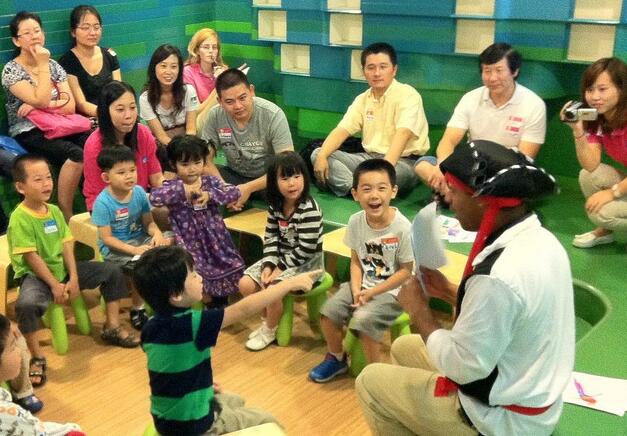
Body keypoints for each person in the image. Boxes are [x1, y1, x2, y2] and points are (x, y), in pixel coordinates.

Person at [356, 140, 575, 436]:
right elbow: (510, 314)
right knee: (403, 346)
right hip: (529, 394)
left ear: (484, 201)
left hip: (501, 420)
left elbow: (464, 367)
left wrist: (419, 311)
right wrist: (449, 291)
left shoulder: (497, 277)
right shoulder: (542, 239)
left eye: (454, 191)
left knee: (370, 382)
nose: (449, 199)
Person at [134, 245, 320, 435]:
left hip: (165, 422)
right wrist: (288, 284)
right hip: (196, 427)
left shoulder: (150, 328)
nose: (200, 278)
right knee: (267, 420)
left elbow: (168, 365)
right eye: (193, 275)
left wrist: (197, 381)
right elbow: (244, 309)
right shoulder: (194, 324)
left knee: (234, 399)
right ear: (176, 295)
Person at [8, 154, 140, 379]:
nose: (46, 184)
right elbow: (32, 258)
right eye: (38, 179)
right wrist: (54, 285)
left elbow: (67, 244)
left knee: (111, 271)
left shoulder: (54, 211)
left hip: (62, 269)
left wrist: (75, 277)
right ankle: (36, 356)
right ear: (21, 187)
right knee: (26, 305)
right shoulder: (19, 218)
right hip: (35, 276)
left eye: (48, 177)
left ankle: (112, 326)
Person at [309, 159, 413, 382]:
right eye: (366, 189)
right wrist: (357, 289)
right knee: (328, 312)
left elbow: (406, 272)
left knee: (364, 321)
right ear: (355, 194)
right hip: (364, 285)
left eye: (381, 188)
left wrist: (373, 292)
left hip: (396, 292)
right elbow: (356, 261)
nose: (374, 195)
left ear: (393, 191)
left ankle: (376, 375)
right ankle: (337, 357)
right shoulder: (356, 221)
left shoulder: (404, 228)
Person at [415, 42, 546, 194]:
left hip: (508, 171)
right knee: (423, 165)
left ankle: (455, 194)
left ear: (515, 71)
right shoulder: (470, 98)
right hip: (472, 165)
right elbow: (448, 140)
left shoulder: (533, 104)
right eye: (487, 71)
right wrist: (443, 166)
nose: (493, 78)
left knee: (517, 182)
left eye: (499, 70)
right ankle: (460, 193)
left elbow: (525, 157)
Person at [2, 11, 90, 221]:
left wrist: (37, 105)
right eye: (27, 33)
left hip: (62, 125)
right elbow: (42, 99)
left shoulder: (54, 65)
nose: (34, 36)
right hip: (29, 131)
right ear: (16, 40)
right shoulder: (11, 70)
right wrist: (42, 65)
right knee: (75, 154)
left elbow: (69, 106)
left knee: (91, 144)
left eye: (37, 31)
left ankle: (93, 205)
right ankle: (66, 214)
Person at [312, 42, 429, 196]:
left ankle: (360, 188)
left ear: (394, 70)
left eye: (383, 67)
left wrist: (382, 171)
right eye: (371, 68)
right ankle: (356, 190)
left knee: (391, 176)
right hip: (368, 159)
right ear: (364, 71)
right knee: (318, 153)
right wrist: (322, 156)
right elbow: (342, 130)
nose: (377, 73)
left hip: (403, 162)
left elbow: (403, 133)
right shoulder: (362, 99)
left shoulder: (408, 95)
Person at [239, 151, 324, 351]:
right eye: (284, 178)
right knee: (245, 284)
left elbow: (306, 249)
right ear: (274, 182)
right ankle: (266, 321)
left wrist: (279, 268)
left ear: (305, 177)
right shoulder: (275, 206)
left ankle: (269, 331)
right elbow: (271, 237)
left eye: (296, 176)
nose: (292, 183)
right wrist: (269, 264)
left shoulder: (309, 209)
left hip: (307, 265)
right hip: (279, 260)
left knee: (272, 290)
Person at [149, 135, 244, 309]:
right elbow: (155, 198)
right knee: (196, 270)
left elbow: (234, 192)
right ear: (173, 164)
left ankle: (219, 302)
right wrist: (181, 190)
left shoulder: (209, 182)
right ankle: (204, 302)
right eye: (185, 164)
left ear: (204, 162)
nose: (192, 169)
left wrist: (211, 195)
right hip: (189, 241)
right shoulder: (172, 186)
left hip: (216, 239)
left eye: (197, 162)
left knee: (226, 264)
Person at [91, 146, 171, 330]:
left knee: (173, 241)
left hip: (141, 241)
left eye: (132, 170)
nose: (129, 176)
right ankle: (137, 309)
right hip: (116, 249)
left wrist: (158, 234)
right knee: (141, 267)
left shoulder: (140, 192)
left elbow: (148, 222)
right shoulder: (102, 203)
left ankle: (166, 300)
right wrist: (134, 250)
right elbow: (107, 239)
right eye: (121, 172)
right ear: (106, 177)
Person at [200, 68, 294, 210]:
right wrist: (225, 189)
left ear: (251, 91)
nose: (238, 106)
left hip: (268, 179)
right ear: (219, 101)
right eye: (229, 102)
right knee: (196, 179)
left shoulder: (273, 114)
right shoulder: (215, 115)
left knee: (289, 185)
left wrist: (248, 188)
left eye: (242, 98)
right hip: (233, 176)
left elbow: (286, 163)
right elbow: (205, 160)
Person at [562, 57, 626, 248]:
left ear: (622, 89)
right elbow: (590, 165)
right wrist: (578, 130)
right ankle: (606, 233)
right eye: (590, 90)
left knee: (602, 213)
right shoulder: (600, 118)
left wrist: (612, 193)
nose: (595, 96)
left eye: (602, 89)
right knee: (589, 175)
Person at [83, 80, 163, 211]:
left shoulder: (143, 133)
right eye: (120, 109)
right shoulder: (94, 145)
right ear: (105, 112)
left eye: (132, 107)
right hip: (107, 207)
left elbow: (157, 178)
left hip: (140, 201)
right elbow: (99, 192)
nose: (128, 116)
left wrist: (170, 193)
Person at [0, 314, 85, 435]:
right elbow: (39, 431)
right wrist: (72, 429)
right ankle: (24, 392)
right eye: (13, 347)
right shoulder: (11, 416)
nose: (19, 351)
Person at [140, 44, 199, 174]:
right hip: (163, 147)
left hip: (187, 143)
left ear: (179, 69)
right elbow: (161, 135)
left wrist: (187, 150)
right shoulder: (145, 98)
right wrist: (179, 152)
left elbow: (191, 128)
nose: (168, 71)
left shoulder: (188, 91)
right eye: (163, 66)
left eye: (173, 66)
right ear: (154, 68)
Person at [59, 5, 121, 118]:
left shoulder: (110, 55)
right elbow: (81, 104)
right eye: (85, 28)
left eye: (96, 27)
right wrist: (107, 115)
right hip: (88, 119)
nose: (92, 33)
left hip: (115, 114)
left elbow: (119, 91)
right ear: (73, 32)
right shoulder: (67, 62)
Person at [184, 28, 228, 130]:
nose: (211, 51)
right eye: (206, 47)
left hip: (222, 116)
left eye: (214, 47)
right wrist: (219, 86)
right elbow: (195, 111)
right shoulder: (188, 72)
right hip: (198, 120)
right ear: (197, 50)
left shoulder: (222, 70)